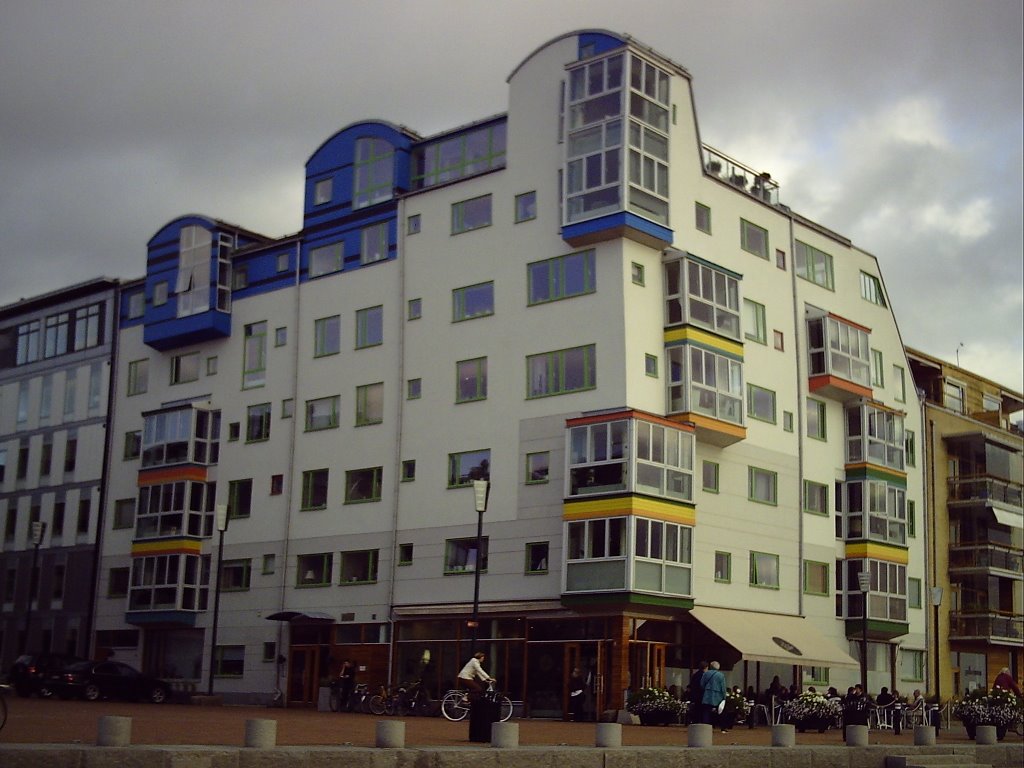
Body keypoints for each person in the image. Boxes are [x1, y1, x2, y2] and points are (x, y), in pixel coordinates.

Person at [700, 660, 727, 730]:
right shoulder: (721, 675)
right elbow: (723, 687)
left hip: (707, 695)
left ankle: (706, 727)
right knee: (720, 711)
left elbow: (702, 684)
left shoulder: (706, 674)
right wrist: (724, 696)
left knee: (706, 711)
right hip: (718, 695)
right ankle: (723, 727)